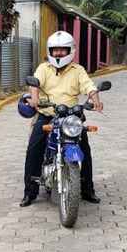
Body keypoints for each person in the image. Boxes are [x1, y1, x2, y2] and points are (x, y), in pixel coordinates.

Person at [21, 30, 104, 207]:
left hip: (72, 116)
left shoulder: (78, 70)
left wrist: (95, 99)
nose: (58, 53)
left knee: (84, 150)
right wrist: (34, 99)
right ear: (50, 51)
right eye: (55, 50)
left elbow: (89, 86)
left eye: (62, 50)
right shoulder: (44, 68)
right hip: (48, 115)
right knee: (34, 149)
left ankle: (87, 189)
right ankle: (30, 192)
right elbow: (35, 84)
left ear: (70, 51)